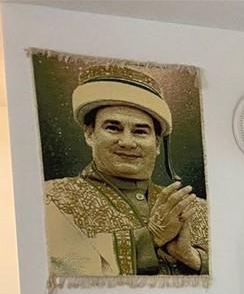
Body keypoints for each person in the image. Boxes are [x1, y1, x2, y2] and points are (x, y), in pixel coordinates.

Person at [43, 65, 208, 278]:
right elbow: (63, 275)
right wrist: (151, 238)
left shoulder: (196, 208)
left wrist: (192, 258)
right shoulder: (51, 200)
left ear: (157, 144)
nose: (128, 142)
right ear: (89, 134)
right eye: (113, 128)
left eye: (140, 131)